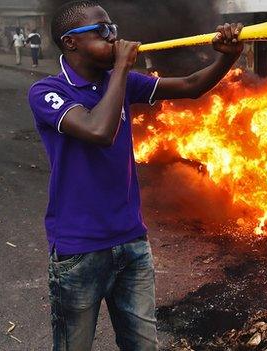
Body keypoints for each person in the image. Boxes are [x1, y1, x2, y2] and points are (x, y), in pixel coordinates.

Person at [27, 1, 243, 349]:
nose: (115, 38)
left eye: (113, 29)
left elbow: (190, 85)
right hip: (79, 250)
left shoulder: (118, 81)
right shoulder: (47, 92)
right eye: (103, 32)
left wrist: (227, 57)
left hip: (131, 243)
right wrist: (123, 70)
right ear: (71, 43)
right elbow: (99, 130)